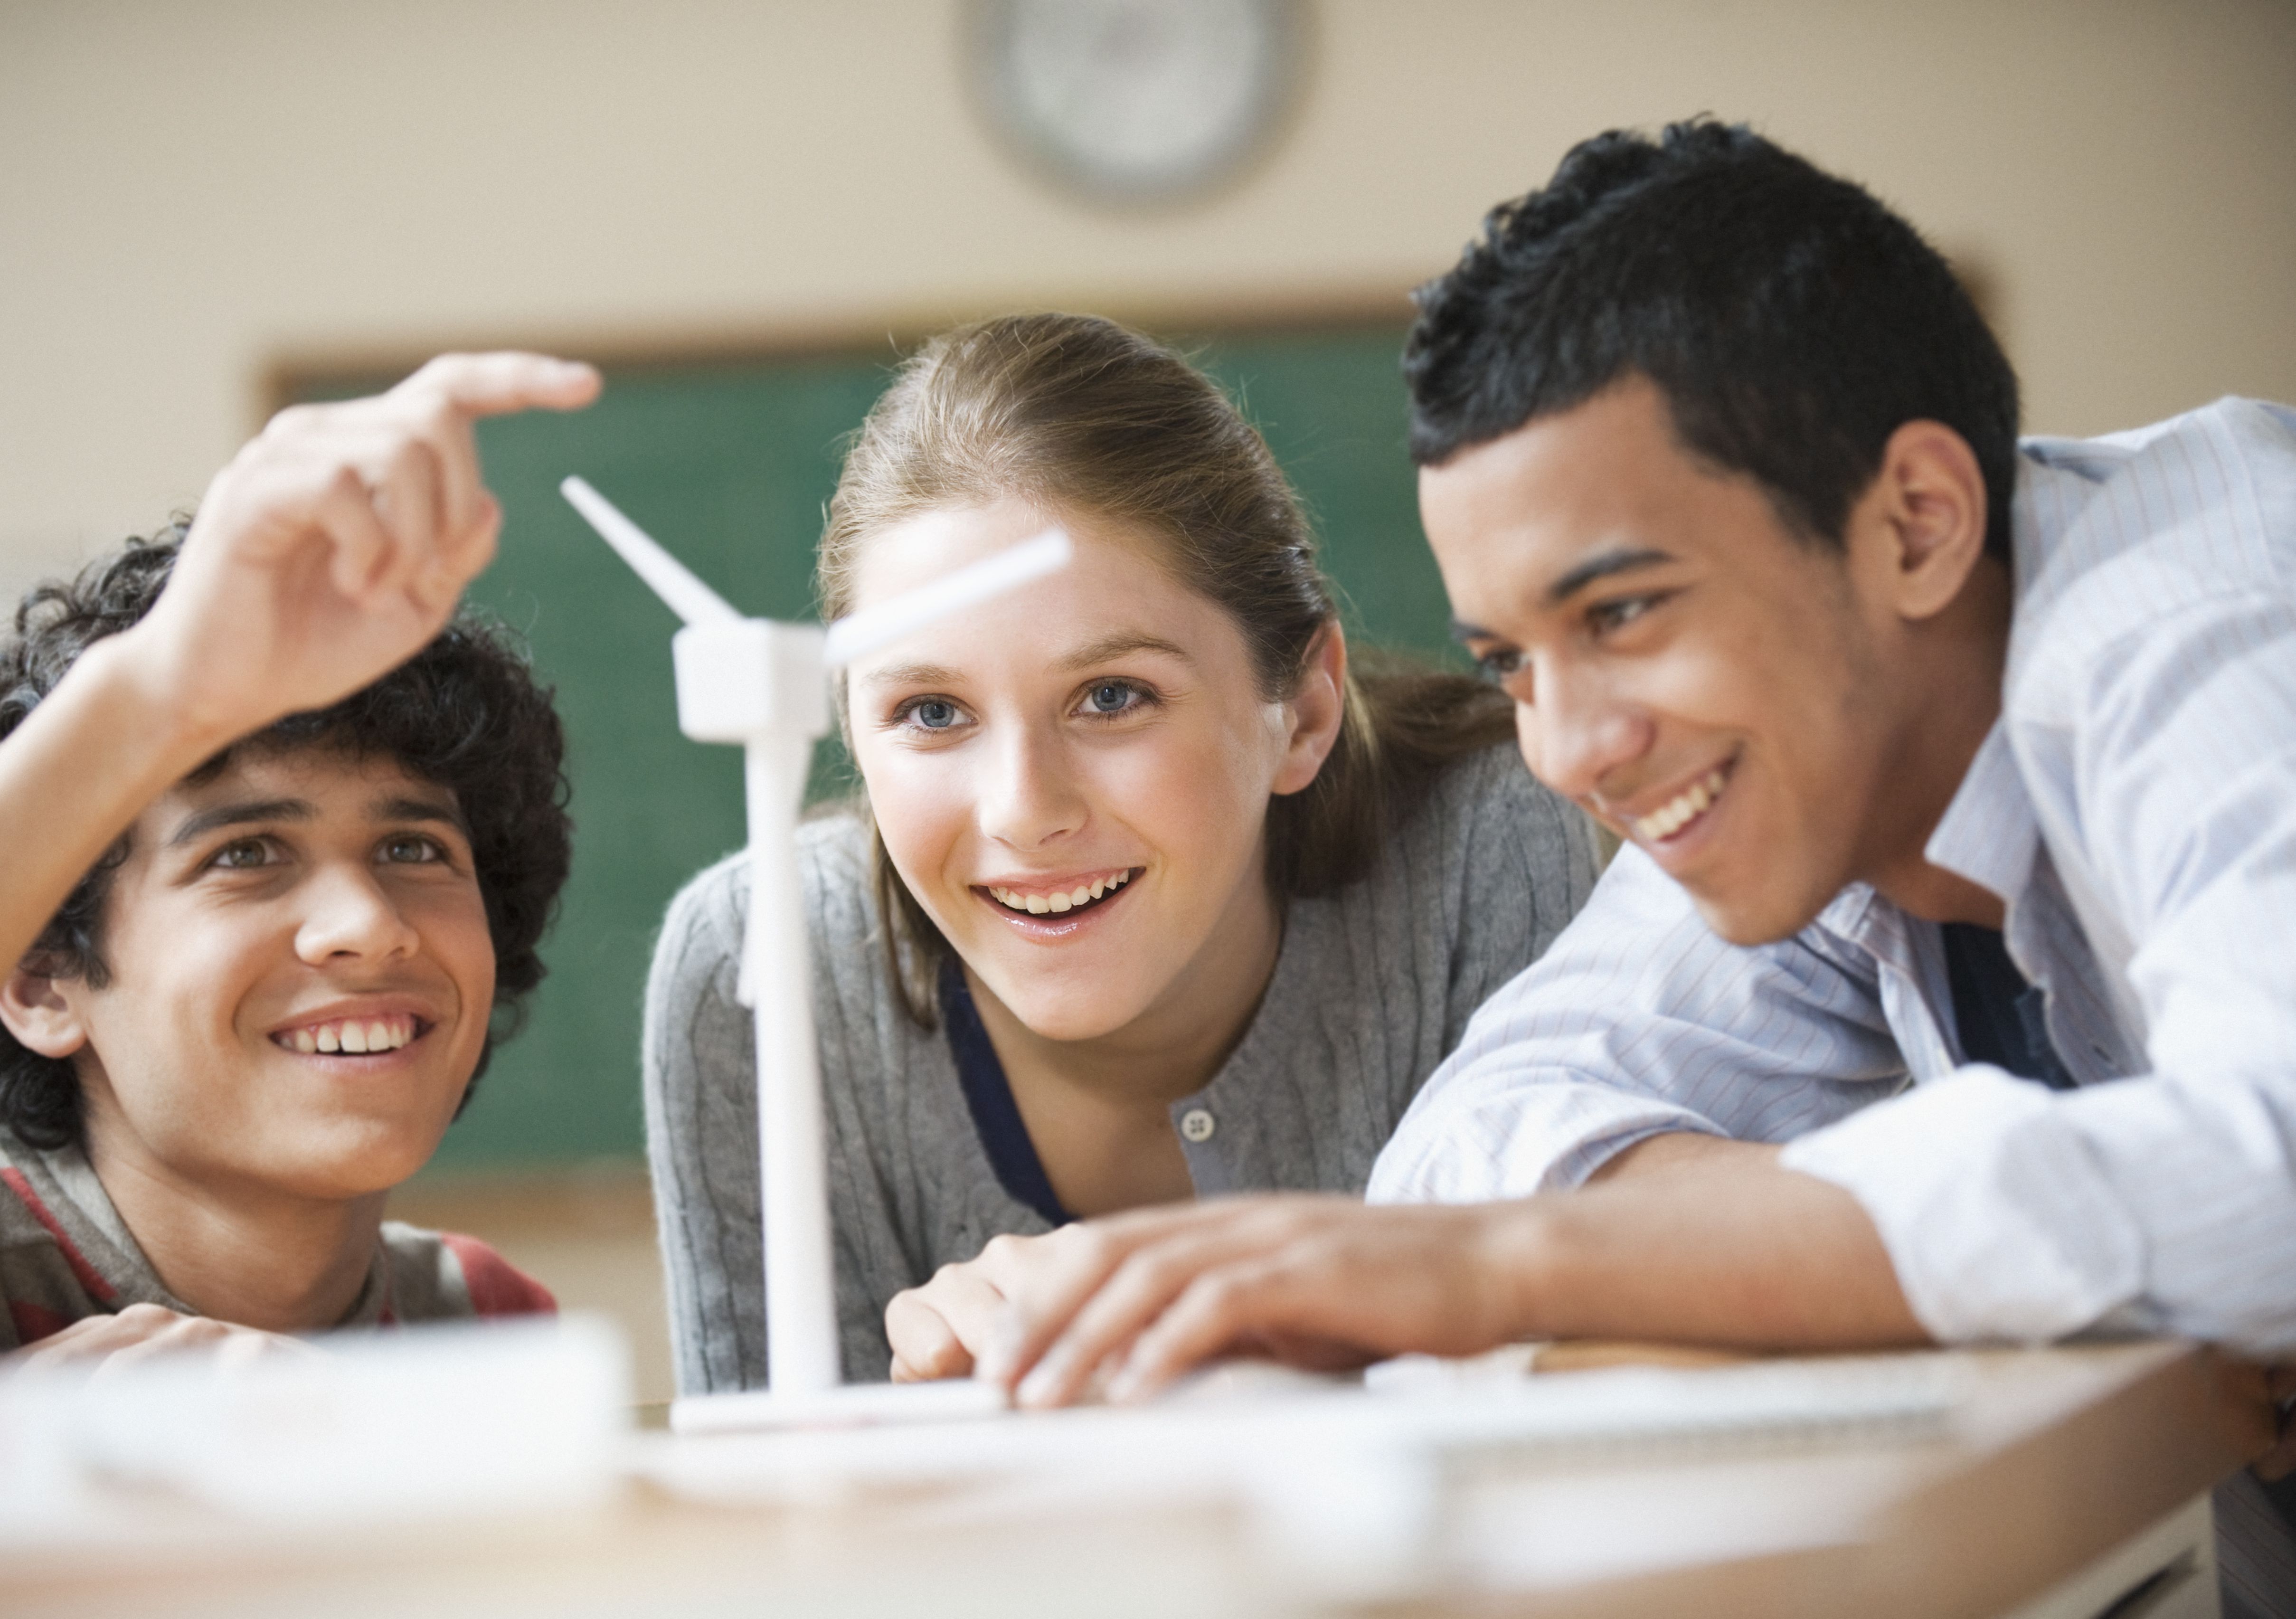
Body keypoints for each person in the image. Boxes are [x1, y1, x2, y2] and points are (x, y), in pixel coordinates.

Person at [954, 121, 2296, 1507]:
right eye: (1510, 663)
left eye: (1625, 612)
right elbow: (1472, 1150)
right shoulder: (1809, 771)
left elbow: (2271, 1173)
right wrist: (2047, 1265)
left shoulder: (2208, 627)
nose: (1568, 748)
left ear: (1914, 523)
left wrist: (1515, 1271)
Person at [642, 312, 1598, 1392]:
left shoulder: (1485, 849)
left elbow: (1561, 1417)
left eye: (1112, 697)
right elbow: (767, 1530)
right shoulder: (753, 967)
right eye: (930, 710)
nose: (1024, 810)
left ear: (1307, 709)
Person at [0, 352, 602, 1369]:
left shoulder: (479, 1322)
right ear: (39, 978)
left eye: (411, 846)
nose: (368, 922)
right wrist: (158, 690)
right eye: (248, 852)